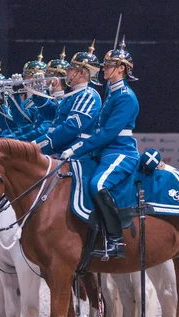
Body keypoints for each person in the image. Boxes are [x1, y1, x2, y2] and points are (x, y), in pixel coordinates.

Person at [61, 37, 140, 259]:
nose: (104, 69)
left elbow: (107, 133)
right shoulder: (112, 93)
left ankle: (116, 240)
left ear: (122, 69)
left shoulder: (125, 97)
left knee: (98, 184)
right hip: (105, 151)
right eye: (105, 65)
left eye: (109, 65)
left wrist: (77, 149)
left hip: (121, 151)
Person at [33, 40, 102, 156]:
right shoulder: (74, 94)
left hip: (71, 152)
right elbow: (53, 115)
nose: (67, 72)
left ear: (80, 73)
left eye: (71, 68)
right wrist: (38, 94)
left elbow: (72, 127)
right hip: (57, 148)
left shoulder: (88, 95)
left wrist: (37, 145)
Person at [13, 47, 71, 142]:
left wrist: (17, 141)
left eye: (47, 76)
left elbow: (43, 130)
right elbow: (22, 121)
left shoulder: (60, 102)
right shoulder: (45, 100)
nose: (44, 79)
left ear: (55, 80)